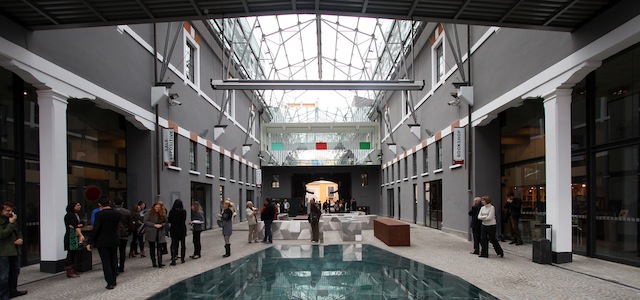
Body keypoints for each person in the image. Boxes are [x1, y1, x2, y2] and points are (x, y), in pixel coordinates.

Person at [85, 197, 120, 290]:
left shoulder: (99, 215)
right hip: (113, 239)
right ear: (109, 203)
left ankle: (109, 282)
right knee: (114, 259)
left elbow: (96, 229)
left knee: (106, 262)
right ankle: (114, 279)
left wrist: (89, 242)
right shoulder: (116, 214)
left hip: (102, 240)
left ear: (99, 205)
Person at [0, 202, 27, 299]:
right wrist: (11, 223)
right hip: (3, 252)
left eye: (11, 210)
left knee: (15, 271)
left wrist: (20, 239)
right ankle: (3, 295)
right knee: (4, 275)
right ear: (1, 210)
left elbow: (18, 231)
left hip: (14, 250)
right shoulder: (7, 221)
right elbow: (2, 234)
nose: (10, 212)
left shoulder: (12, 219)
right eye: (7, 210)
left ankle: (13, 291)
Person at [63, 201, 84, 278]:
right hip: (71, 236)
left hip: (75, 235)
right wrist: (79, 232)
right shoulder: (69, 215)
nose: (79, 206)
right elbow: (74, 226)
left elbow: (81, 224)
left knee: (74, 252)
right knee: (71, 253)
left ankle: (73, 269)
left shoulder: (76, 215)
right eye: (78, 205)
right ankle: (69, 270)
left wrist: (78, 225)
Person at [144, 201, 167, 267]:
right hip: (151, 231)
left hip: (160, 232)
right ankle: (154, 262)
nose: (157, 209)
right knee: (152, 247)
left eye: (159, 207)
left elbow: (165, 221)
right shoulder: (149, 212)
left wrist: (161, 225)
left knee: (159, 247)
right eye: (156, 207)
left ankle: (160, 262)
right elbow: (145, 221)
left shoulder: (162, 213)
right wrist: (154, 225)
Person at [113, 197, 132, 273]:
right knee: (122, 251)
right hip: (124, 233)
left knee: (114, 251)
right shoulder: (127, 212)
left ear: (114, 203)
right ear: (122, 203)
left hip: (114, 234)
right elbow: (130, 224)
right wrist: (129, 232)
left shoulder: (112, 211)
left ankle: (115, 266)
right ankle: (121, 267)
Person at [168, 199, 187, 265]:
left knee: (174, 244)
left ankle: (173, 258)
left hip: (174, 229)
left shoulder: (172, 211)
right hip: (182, 229)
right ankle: (182, 259)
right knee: (183, 244)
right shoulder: (183, 211)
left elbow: (169, 220)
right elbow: (184, 219)